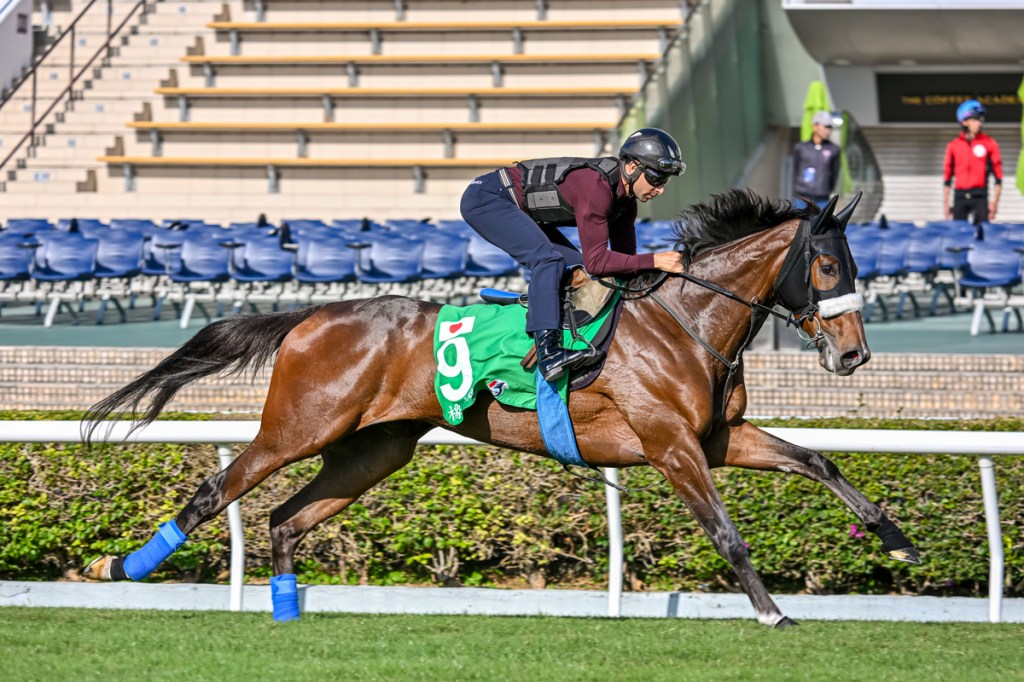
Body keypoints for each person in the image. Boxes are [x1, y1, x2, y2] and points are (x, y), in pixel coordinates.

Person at [460, 127, 686, 383]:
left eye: (665, 181)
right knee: (549, 260)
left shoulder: (626, 202)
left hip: (520, 208)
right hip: (487, 198)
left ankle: (560, 325)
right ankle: (548, 353)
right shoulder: (596, 188)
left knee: (577, 272)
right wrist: (655, 260)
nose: (661, 189)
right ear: (633, 167)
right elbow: (598, 262)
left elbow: (623, 264)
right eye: (656, 178)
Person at [943, 99, 1003, 224]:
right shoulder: (953, 145)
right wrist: (946, 204)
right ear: (964, 122)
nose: (979, 123)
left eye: (981, 119)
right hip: (960, 197)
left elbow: (998, 177)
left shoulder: (990, 143)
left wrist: (994, 203)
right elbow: (947, 178)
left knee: (983, 233)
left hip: (980, 197)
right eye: (975, 119)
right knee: (959, 233)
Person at [791, 110, 841, 209]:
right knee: (798, 219)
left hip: (822, 200)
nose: (828, 130)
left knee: (823, 220)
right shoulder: (800, 147)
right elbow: (795, 170)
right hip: (801, 198)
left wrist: (826, 189)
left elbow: (834, 174)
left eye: (830, 127)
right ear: (815, 126)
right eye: (825, 126)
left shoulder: (834, 149)